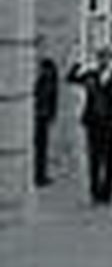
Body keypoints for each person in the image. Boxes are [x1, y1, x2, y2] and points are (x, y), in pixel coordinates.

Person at [72, 48, 112, 206]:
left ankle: (107, 194)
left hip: (110, 124)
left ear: (111, 60)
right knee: (94, 160)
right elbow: (71, 78)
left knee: (109, 160)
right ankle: (94, 192)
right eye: (101, 58)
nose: (103, 61)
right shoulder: (90, 75)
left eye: (106, 58)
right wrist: (77, 64)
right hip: (93, 123)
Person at [34, 58, 59, 187]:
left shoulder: (47, 82)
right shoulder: (44, 82)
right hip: (39, 118)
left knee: (42, 148)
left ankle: (40, 174)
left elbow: (51, 100)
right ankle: (39, 175)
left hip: (42, 118)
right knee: (40, 148)